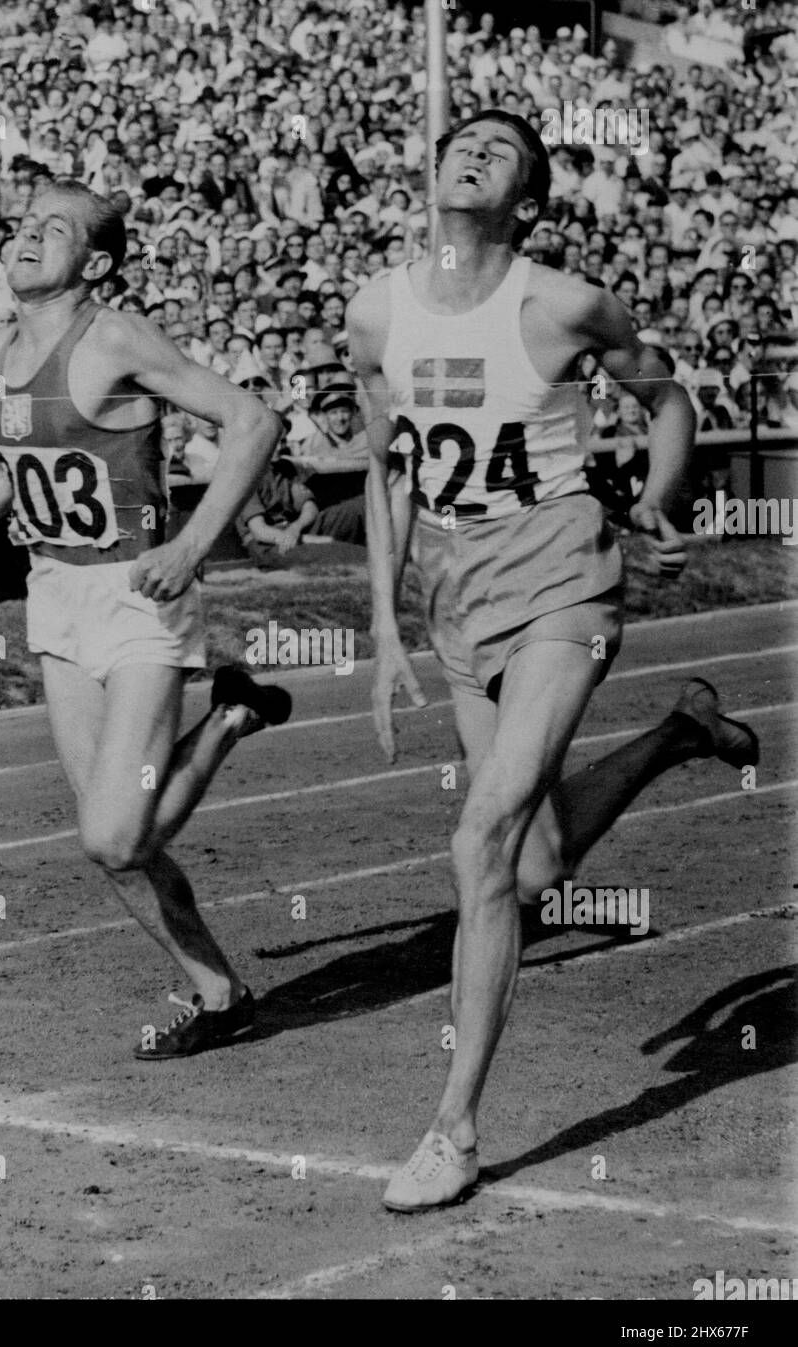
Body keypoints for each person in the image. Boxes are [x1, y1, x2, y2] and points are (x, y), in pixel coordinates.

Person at [347, 110, 761, 1213]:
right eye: (458, 144)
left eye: (501, 154)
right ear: (431, 173)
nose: (469, 154)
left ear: (526, 203)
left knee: (479, 838)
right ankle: (679, 731)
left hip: (562, 575)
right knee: (529, 873)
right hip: (453, 592)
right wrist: (385, 625)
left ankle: (454, 1128)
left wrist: (664, 500)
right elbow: (387, 467)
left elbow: (667, 393)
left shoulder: (561, 303)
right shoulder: (375, 308)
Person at [0, 180, 288, 1057]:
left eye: (53, 230)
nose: (26, 239)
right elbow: (2, 474)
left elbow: (253, 421)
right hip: (56, 600)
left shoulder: (113, 335)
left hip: (137, 597)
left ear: (96, 262)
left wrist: (192, 547)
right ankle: (222, 994)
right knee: (116, 845)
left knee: (112, 833)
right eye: (22, 226)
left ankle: (226, 717)